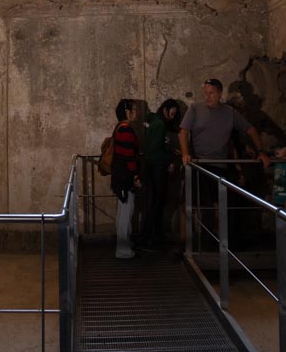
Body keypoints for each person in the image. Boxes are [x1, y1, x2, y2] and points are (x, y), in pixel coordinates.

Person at [178, 79, 271, 237]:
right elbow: (183, 132)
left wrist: (261, 151)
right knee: (189, 203)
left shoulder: (229, 112)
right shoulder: (195, 108)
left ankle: (220, 244)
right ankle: (183, 244)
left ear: (220, 93)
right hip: (198, 163)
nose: (207, 96)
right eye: (205, 93)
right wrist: (185, 153)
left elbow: (250, 129)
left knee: (220, 206)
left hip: (219, 165)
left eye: (211, 93)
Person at [141, 99, 180, 249]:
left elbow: (156, 146)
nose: (172, 116)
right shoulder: (160, 124)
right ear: (165, 109)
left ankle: (155, 235)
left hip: (154, 167)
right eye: (172, 113)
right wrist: (170, 159)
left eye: (174, 114)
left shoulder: (155, 122)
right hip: (158, 167)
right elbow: (154, 150)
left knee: (158, 202)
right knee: (158, 202)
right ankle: (146, 236)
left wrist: (170, 151)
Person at [111, 98, 141, 259]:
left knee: (123, 213)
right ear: (127, 112)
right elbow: (129, 157)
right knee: (125, 214)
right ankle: (122, 250)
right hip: (125, 178)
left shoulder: (119, 128)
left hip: (119, 177)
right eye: (134, 110)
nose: (136, 112)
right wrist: (136, 176)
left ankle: (124, 245)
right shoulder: (126, 130)